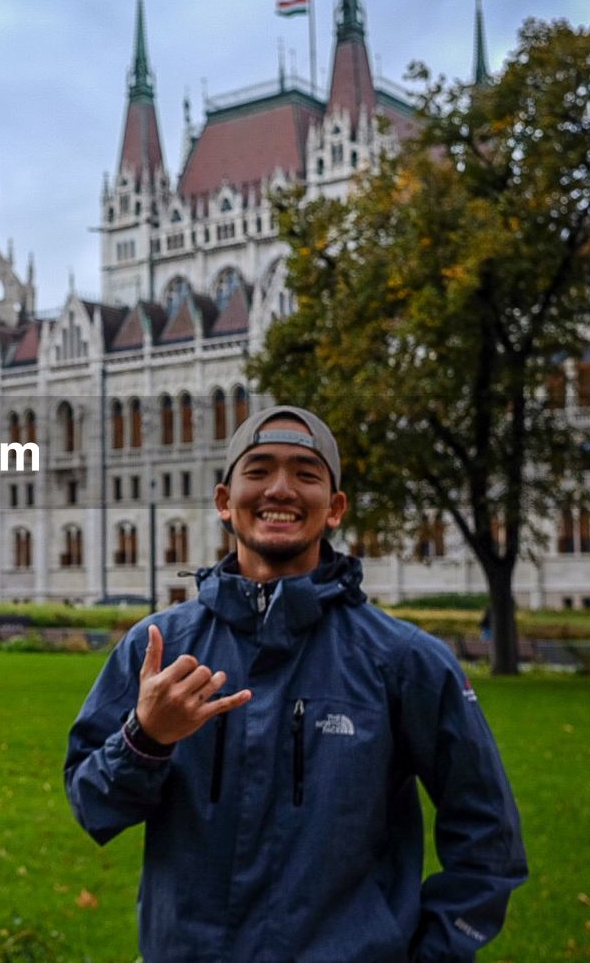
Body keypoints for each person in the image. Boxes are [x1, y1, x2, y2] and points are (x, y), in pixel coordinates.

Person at [65, 405, 526, 963]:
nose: (280, 490)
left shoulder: (404, 661)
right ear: (223, 502)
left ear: (334, 509)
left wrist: (437, 952)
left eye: (305, 474)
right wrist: (146, 738)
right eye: (258, 470)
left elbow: (488, 838)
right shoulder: (159, 650)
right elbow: (93, 803)